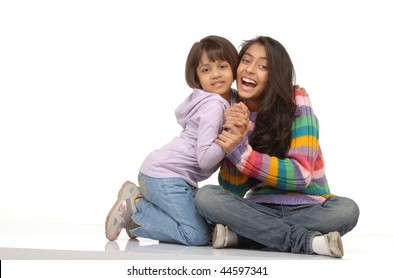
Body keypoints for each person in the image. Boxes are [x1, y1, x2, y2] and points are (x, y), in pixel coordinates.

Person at [195, 35, 360, 257]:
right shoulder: (232, 110)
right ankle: (307, 242)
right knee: (206, 196)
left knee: (347, 210)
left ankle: (247, 236)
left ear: (275, 76)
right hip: (259, 207)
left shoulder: (296, 100)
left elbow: (301, 175)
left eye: (263, 66)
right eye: (246, 61)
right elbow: (233, 190)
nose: (250, 70)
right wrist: (235, 137)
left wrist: (242, 153)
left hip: (309, 207)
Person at [105, 35, 240, 245]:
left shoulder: (229, 98)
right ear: (197, 76)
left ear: (234, 67)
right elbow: (205, 159)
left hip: (173, 177)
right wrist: (231, 139)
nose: (215, 75)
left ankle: (138, 221)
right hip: (165, 176)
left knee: (203, 227)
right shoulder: (213, 106)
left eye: (222, 66)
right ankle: (136, 206)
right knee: (198, 236)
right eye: (206, 70)